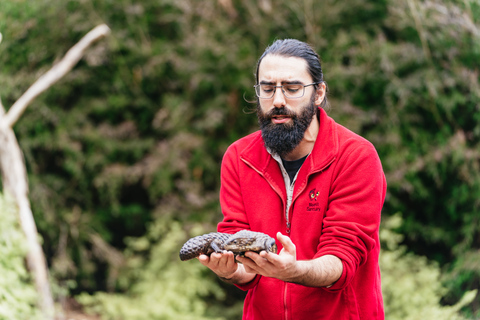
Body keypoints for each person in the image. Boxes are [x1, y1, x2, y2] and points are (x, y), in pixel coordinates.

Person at [198, 39, 387, 319]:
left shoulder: (355, 156)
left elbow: (342, 258)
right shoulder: (239, 157)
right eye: (267, 88)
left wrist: (294, 270)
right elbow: (241, 252)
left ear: (319, 93)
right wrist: (232, 272)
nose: (277, 100)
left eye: (292, 88)